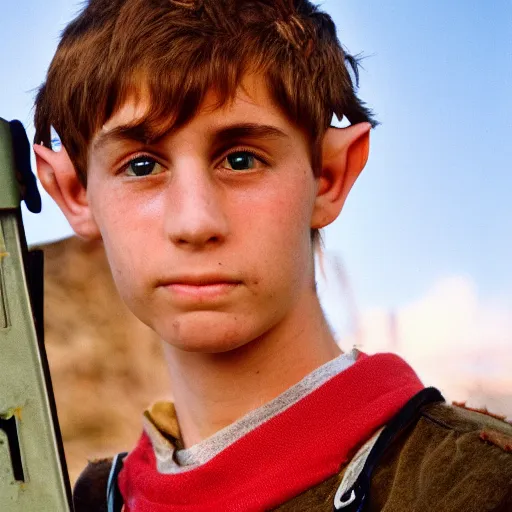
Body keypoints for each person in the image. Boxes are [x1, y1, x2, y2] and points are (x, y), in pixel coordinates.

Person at [33, 0, 512, 510]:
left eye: (241, 160)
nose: (195, 223)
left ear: (329, 176)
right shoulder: (85, 500)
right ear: (74, 193)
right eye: (141, 165)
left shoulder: (479, 486)